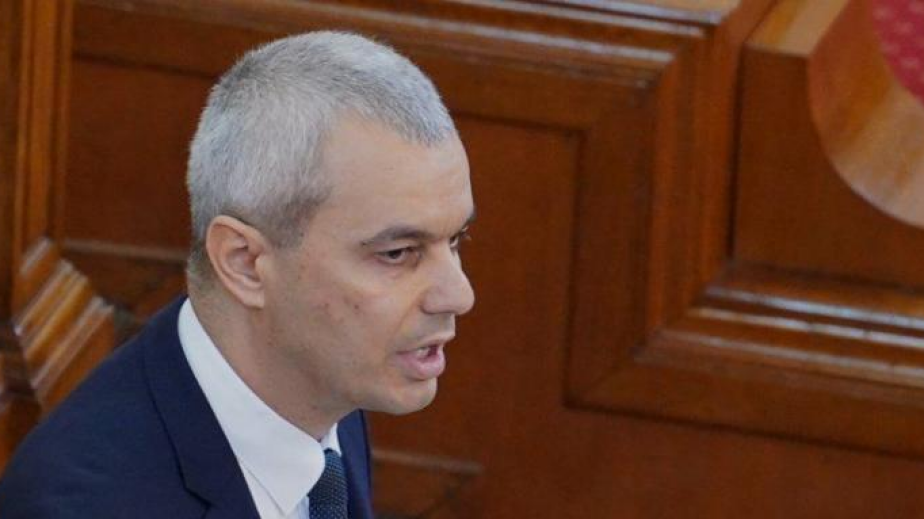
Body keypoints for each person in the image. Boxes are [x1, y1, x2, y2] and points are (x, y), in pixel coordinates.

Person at [0, 30, 475, 519]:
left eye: (456, 239)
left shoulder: (326, 376)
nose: (458, 294)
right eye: (397, 253)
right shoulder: (83, 507)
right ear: (244, 263)